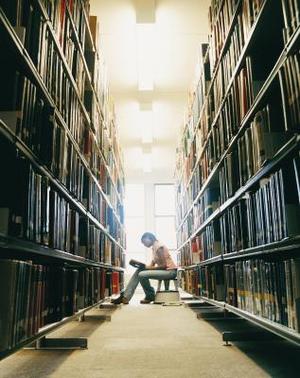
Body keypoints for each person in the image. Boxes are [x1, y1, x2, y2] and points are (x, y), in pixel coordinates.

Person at [112, 232, 177, 304]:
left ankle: (149, 296)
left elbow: (164, 266)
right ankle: (125, 296)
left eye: (144, 242)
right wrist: (142, 266)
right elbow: (151, 266)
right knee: (140, 270)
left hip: (170, 272)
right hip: (166, 271)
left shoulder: (159, 247)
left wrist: (146, 267)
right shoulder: (154, 248)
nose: (144, 244)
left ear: (149, 238)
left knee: (142, 274)